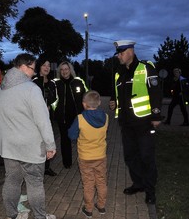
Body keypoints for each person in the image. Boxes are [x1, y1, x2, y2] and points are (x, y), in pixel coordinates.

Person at [0, 53, 56, 219]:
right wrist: (50, 145)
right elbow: (43, 120)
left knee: (12, 181)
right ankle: (40, 217)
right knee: (34, 183)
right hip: (30, 147)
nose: (34, 73)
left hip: (8, 147)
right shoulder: (31, 89)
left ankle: (12, 215)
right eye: (32, 69)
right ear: (23, 66)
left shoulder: (0, 89)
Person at [109, 40, 162, 204]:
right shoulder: (118, 73)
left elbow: (156, 92)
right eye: (118, 53)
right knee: (130, 156)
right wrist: (113, 102)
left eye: (121, 53)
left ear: (130, 51)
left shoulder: (146, 68)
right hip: (126, 124)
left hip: (144, 122)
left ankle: (150, 190)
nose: (119, 56)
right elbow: (117, 95)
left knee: (146, 157)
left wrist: (156, 116)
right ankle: (138, 183)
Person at [68, 90, 109, 218]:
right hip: (101, 156)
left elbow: (71, 135)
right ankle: (101, 206)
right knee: (101, 181)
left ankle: (89, 209)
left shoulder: (80, 119)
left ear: (84, 104)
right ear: (99, 103)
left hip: (85, 157)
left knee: (88, 183)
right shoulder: (106, 117)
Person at [53, 61, 88, 169]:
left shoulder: (78, 81)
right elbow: (51, 100)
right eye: (62, 69)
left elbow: (87, 95)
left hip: (77, 117)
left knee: (81, 140)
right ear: (59, 71)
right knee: (65, 140)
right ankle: (67, 163)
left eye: (66, 69)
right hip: (62, 118)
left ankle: (84, 161)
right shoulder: (55, 83)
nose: (64, 71)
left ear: (70, 70)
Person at [33, 57, 57, 176]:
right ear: (39, 67)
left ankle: (47, 167)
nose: (47, 67)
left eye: (48, 65)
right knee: (38, 143)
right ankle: (37, 167)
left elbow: (55, 100)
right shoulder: (34, 82)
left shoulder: (53, 83)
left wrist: (50, 107)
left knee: (48, 142)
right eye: (44, 65)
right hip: (36, 120)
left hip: (49, 118)